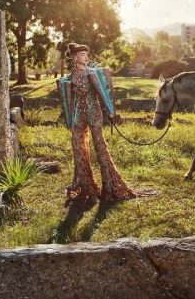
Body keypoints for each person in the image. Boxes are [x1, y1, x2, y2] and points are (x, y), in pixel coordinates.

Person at [58, 43, 138, 203]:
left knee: (99, 146)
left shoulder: (92, 73)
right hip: (79, 115)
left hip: (94, 113)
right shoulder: (70, 77)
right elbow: (69, 99)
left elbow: (102, 91)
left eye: (86, 54)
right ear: (74, 57)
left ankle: (109, 186)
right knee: (77, 147)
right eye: (82, 55)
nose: (86, 57)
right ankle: (86, 186)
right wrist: (69, 117)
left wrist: (110, 110)